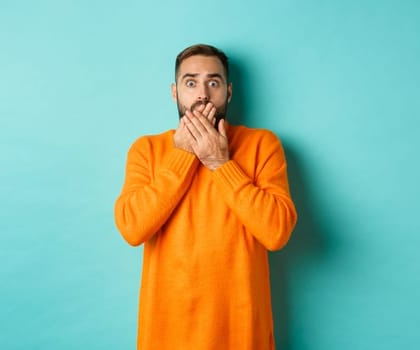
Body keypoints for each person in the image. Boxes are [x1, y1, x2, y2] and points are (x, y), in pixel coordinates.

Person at [113, 44, 297, 349]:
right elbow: (133, 229)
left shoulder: (262, 144)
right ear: (174, 92)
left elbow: (276, 233)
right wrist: (183, 155)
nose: (202, 94)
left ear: (228, 91)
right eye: (190, 82)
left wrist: (220, 164)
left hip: (241, 334)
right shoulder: (146, 150)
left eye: (213, 82)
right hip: (167, 335)